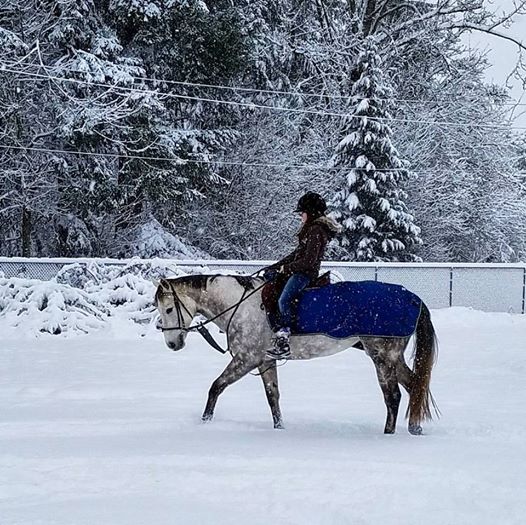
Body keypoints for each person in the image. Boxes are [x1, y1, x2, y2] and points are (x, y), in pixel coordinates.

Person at [263, 192, 340, 359]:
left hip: (305, 274)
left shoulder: (315, 230)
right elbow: (295, 255)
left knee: (284, 299)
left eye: (302, 213)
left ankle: (284, 339)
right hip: (299, 271)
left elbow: (308, 261)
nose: (300, 216)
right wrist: (275, 266)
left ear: (310, 212)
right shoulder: (310, 230)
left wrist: (284, 269)